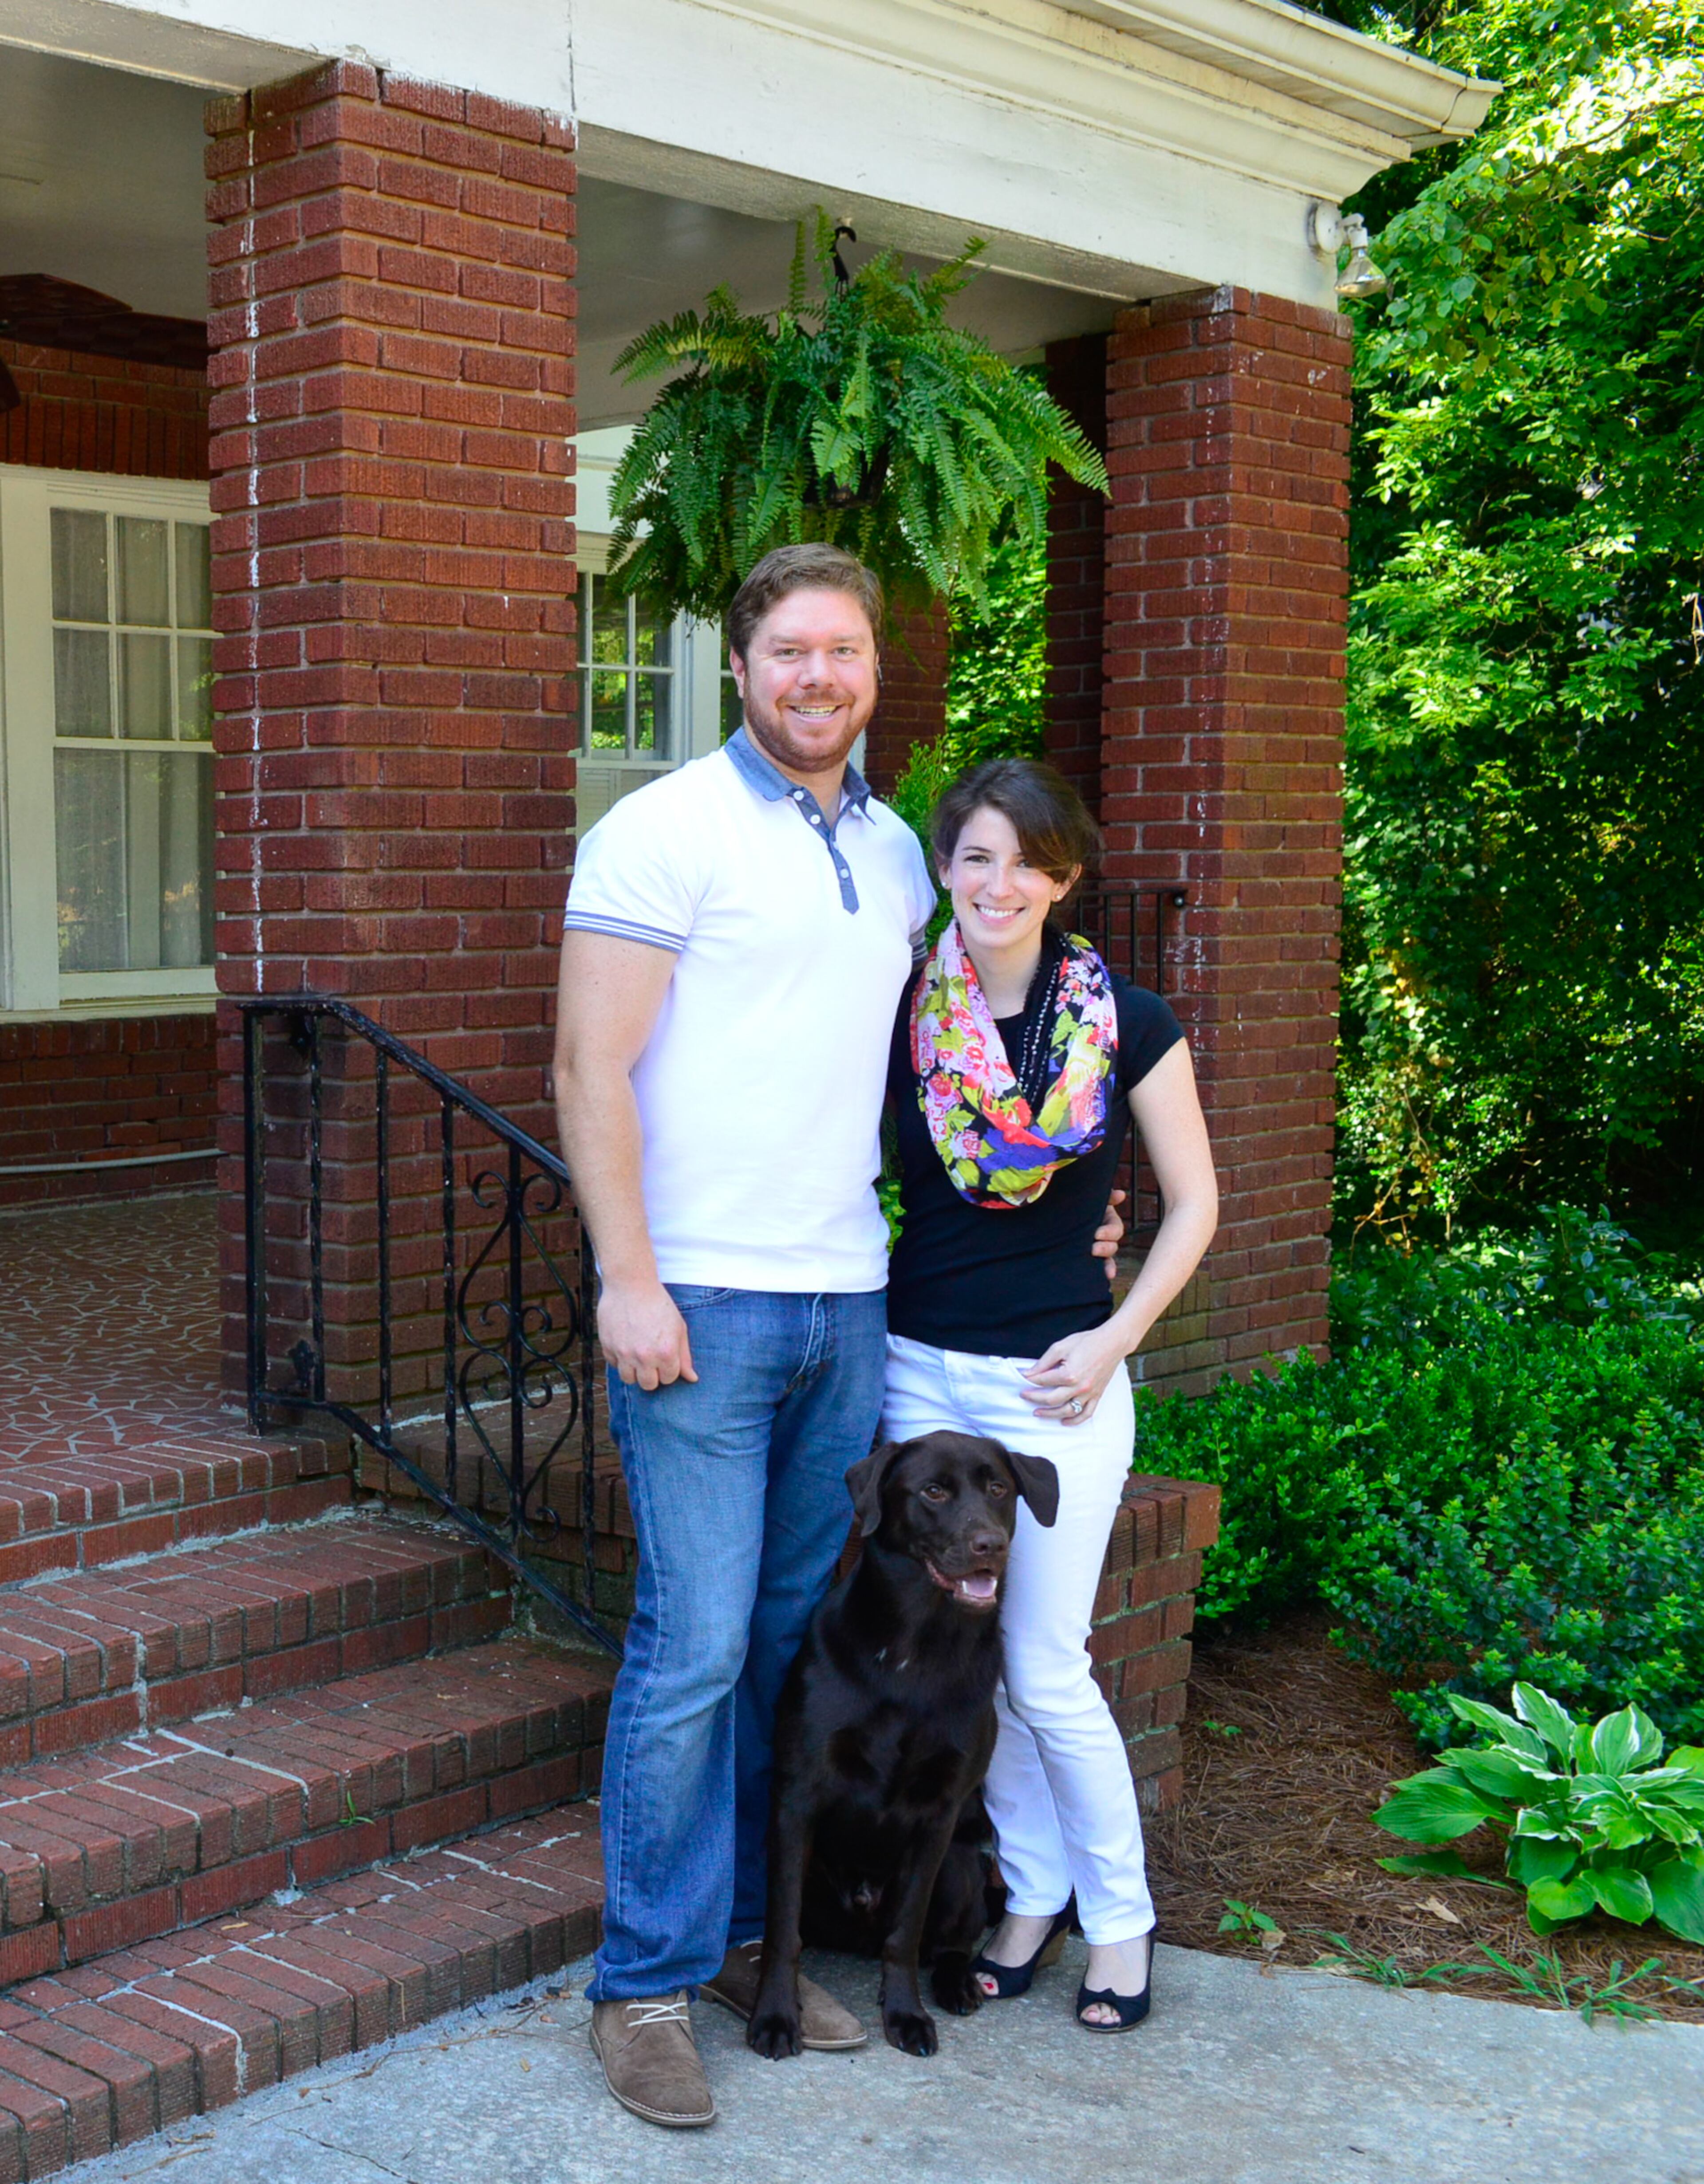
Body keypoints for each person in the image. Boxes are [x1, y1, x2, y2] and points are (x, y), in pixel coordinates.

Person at [880, 758, 1218, 2031]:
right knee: (976, 1659)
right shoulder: (904, 1017)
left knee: (1043, 1662)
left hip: (1058, 1382)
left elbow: (1196, 1202)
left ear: (1063, 876)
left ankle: (1119, 1923)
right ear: (945, 869)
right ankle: (1030, 1894)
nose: (997, 880)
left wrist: (1118, 1331)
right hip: (919, 1371)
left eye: (1024, 859)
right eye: (973, 854)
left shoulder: (1130, 1018)